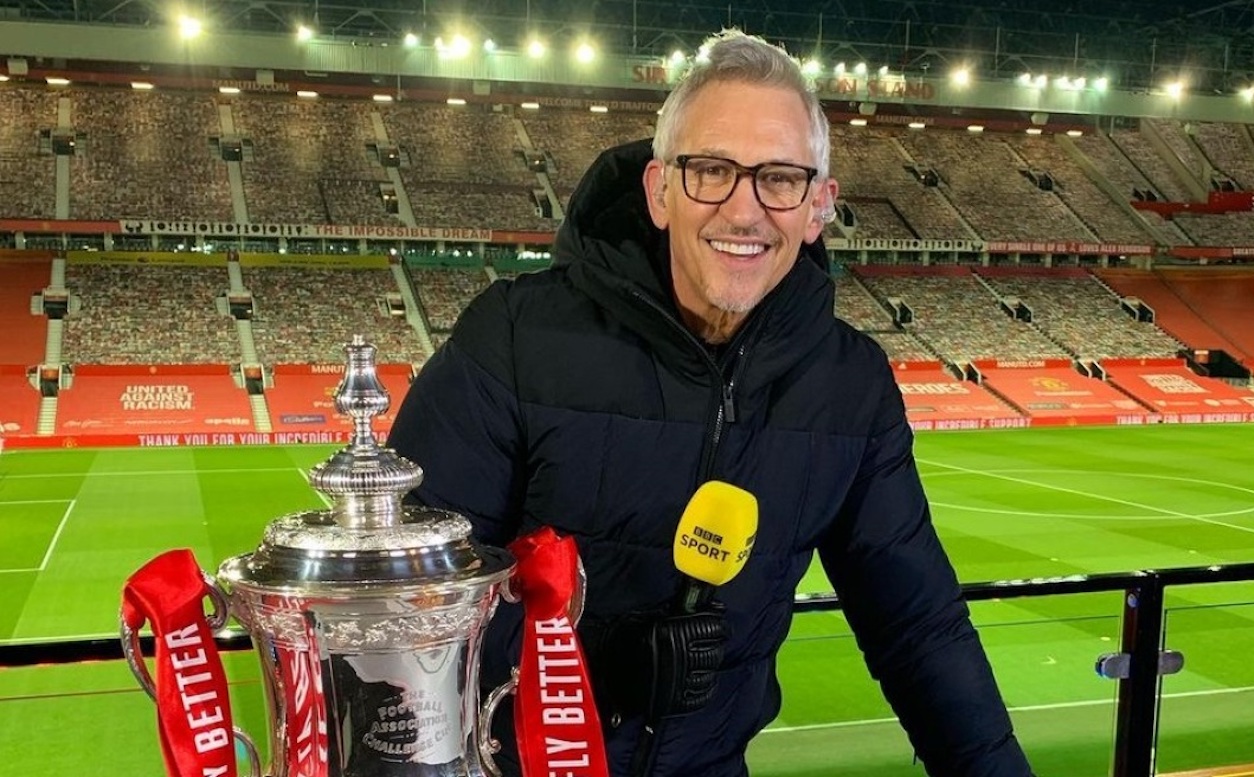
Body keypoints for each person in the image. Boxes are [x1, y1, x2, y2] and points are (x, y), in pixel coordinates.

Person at [389, 28, 1034, 777]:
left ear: (819, 206)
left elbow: (918, 626)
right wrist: (596, 659)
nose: (744, 210)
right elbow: (404, 602)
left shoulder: (850, 387)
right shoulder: (512, 338)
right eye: (712, 171)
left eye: (779, 178)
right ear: (659, 191)